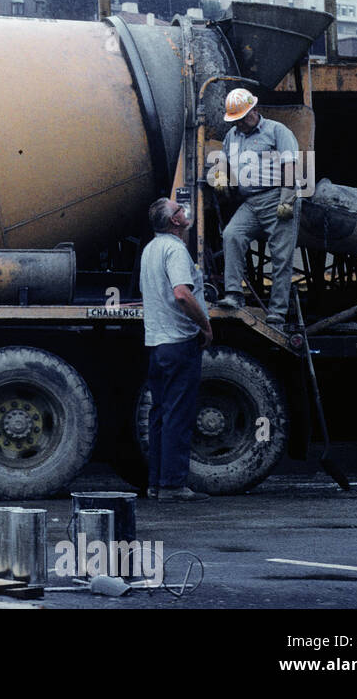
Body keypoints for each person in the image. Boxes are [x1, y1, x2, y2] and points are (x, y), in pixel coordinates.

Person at [140, 198, 212, 502]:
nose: (185, 211)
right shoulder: (175, 249)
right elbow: (182, 294)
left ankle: (156, 483)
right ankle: (173, 485)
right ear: (175, 222)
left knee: (159, 414)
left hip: (156, 344)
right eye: (179, 210)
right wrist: (205, 325)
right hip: (179, 341)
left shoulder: (150, 249)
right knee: (178, 415)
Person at [209, 87, 300, 325]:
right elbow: (223, 161)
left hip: (275, 197)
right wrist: (219, 175)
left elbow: (290, 165)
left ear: (254, 110)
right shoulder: (233, 136)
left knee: (281, 255)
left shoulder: (277, 131)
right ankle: (233, 294)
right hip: (250, 202)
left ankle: (278, 311)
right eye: (236, 120)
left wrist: (287, 199)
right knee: (232, 235)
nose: (240, 123)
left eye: (242, 118)